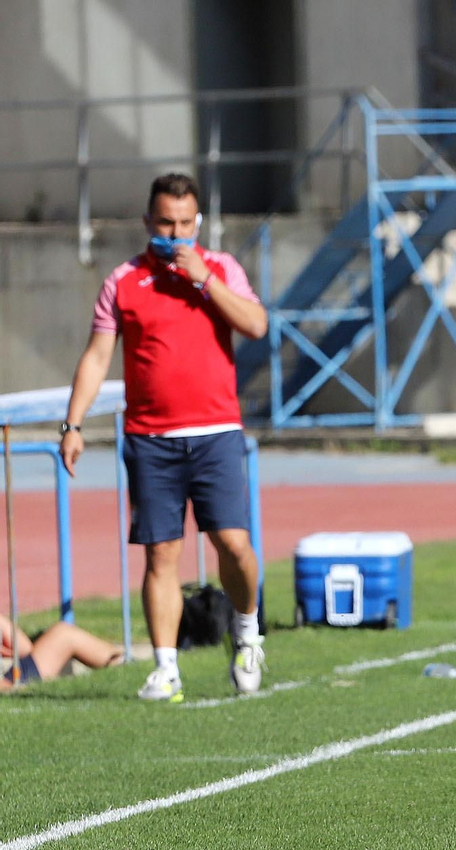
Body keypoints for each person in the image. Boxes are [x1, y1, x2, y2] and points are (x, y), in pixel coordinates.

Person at [60, 173, 269, 704]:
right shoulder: (123, 281)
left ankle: (246, 635)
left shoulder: (221, 267)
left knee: (234, 545)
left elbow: (257, 325)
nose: (174, 234)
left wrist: (204, 280)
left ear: (197, 222)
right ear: (147, 221)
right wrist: (74, 423)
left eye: (183, 224)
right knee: (161, 554)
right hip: (151, 438)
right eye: (164, 223)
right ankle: (166, 669)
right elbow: (97, 356)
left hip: (216, 432)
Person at [1, 614, 123, 691]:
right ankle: (124, 662)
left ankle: (125, 662)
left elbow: (25, 648)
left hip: (12, 676)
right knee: (64, 636)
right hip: (7, 684)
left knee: (63, 633)